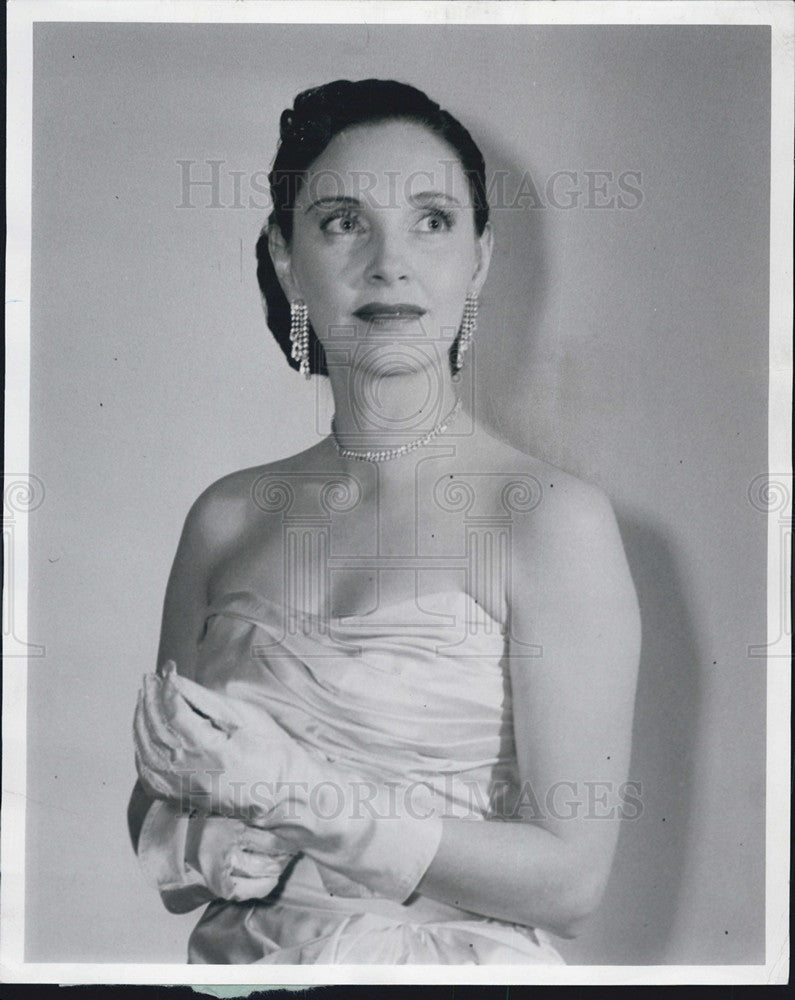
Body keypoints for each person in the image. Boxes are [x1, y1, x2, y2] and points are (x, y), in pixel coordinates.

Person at [129, 78, 641, 965]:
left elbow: (571, 883)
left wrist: (305, 802)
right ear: (287, 259)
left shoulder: (551, 521)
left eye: (432, 221)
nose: (388, 263)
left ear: (477, 259)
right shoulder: (224, 518)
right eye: (341, 222)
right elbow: (163, 793)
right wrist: (198, 849)